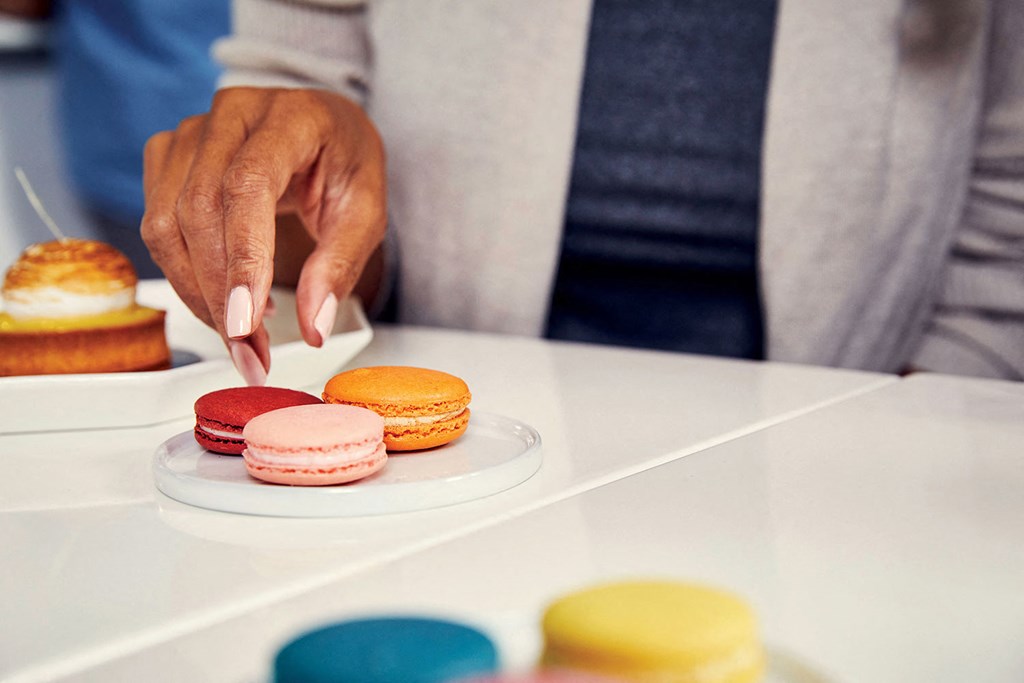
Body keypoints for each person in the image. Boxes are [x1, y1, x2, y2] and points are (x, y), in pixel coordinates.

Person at [141, 0, 1024, 385]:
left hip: (850, 445)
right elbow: (312, 239)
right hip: (456, 439)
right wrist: (286, 201)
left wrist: (910, 425)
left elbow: (1002, 233)